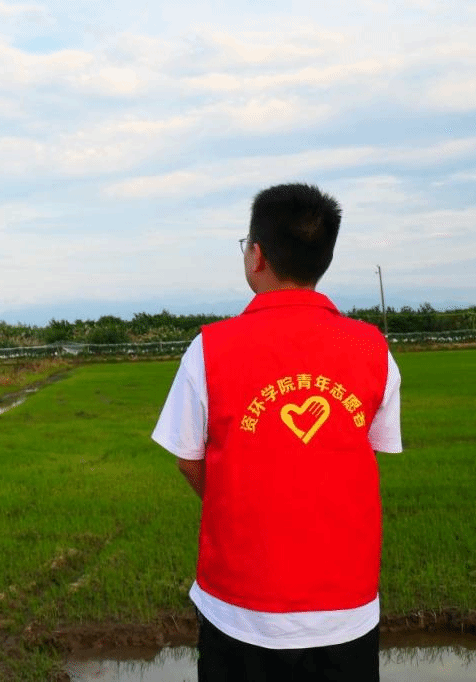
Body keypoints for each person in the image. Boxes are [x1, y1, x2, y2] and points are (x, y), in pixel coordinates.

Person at [152, 183, 402, 681]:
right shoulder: (374, 349)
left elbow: (187, 459)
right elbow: (368, 453)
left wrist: (240, 501)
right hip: (345, 610)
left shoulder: (208, 349)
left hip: (241, 609)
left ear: (257, 255)